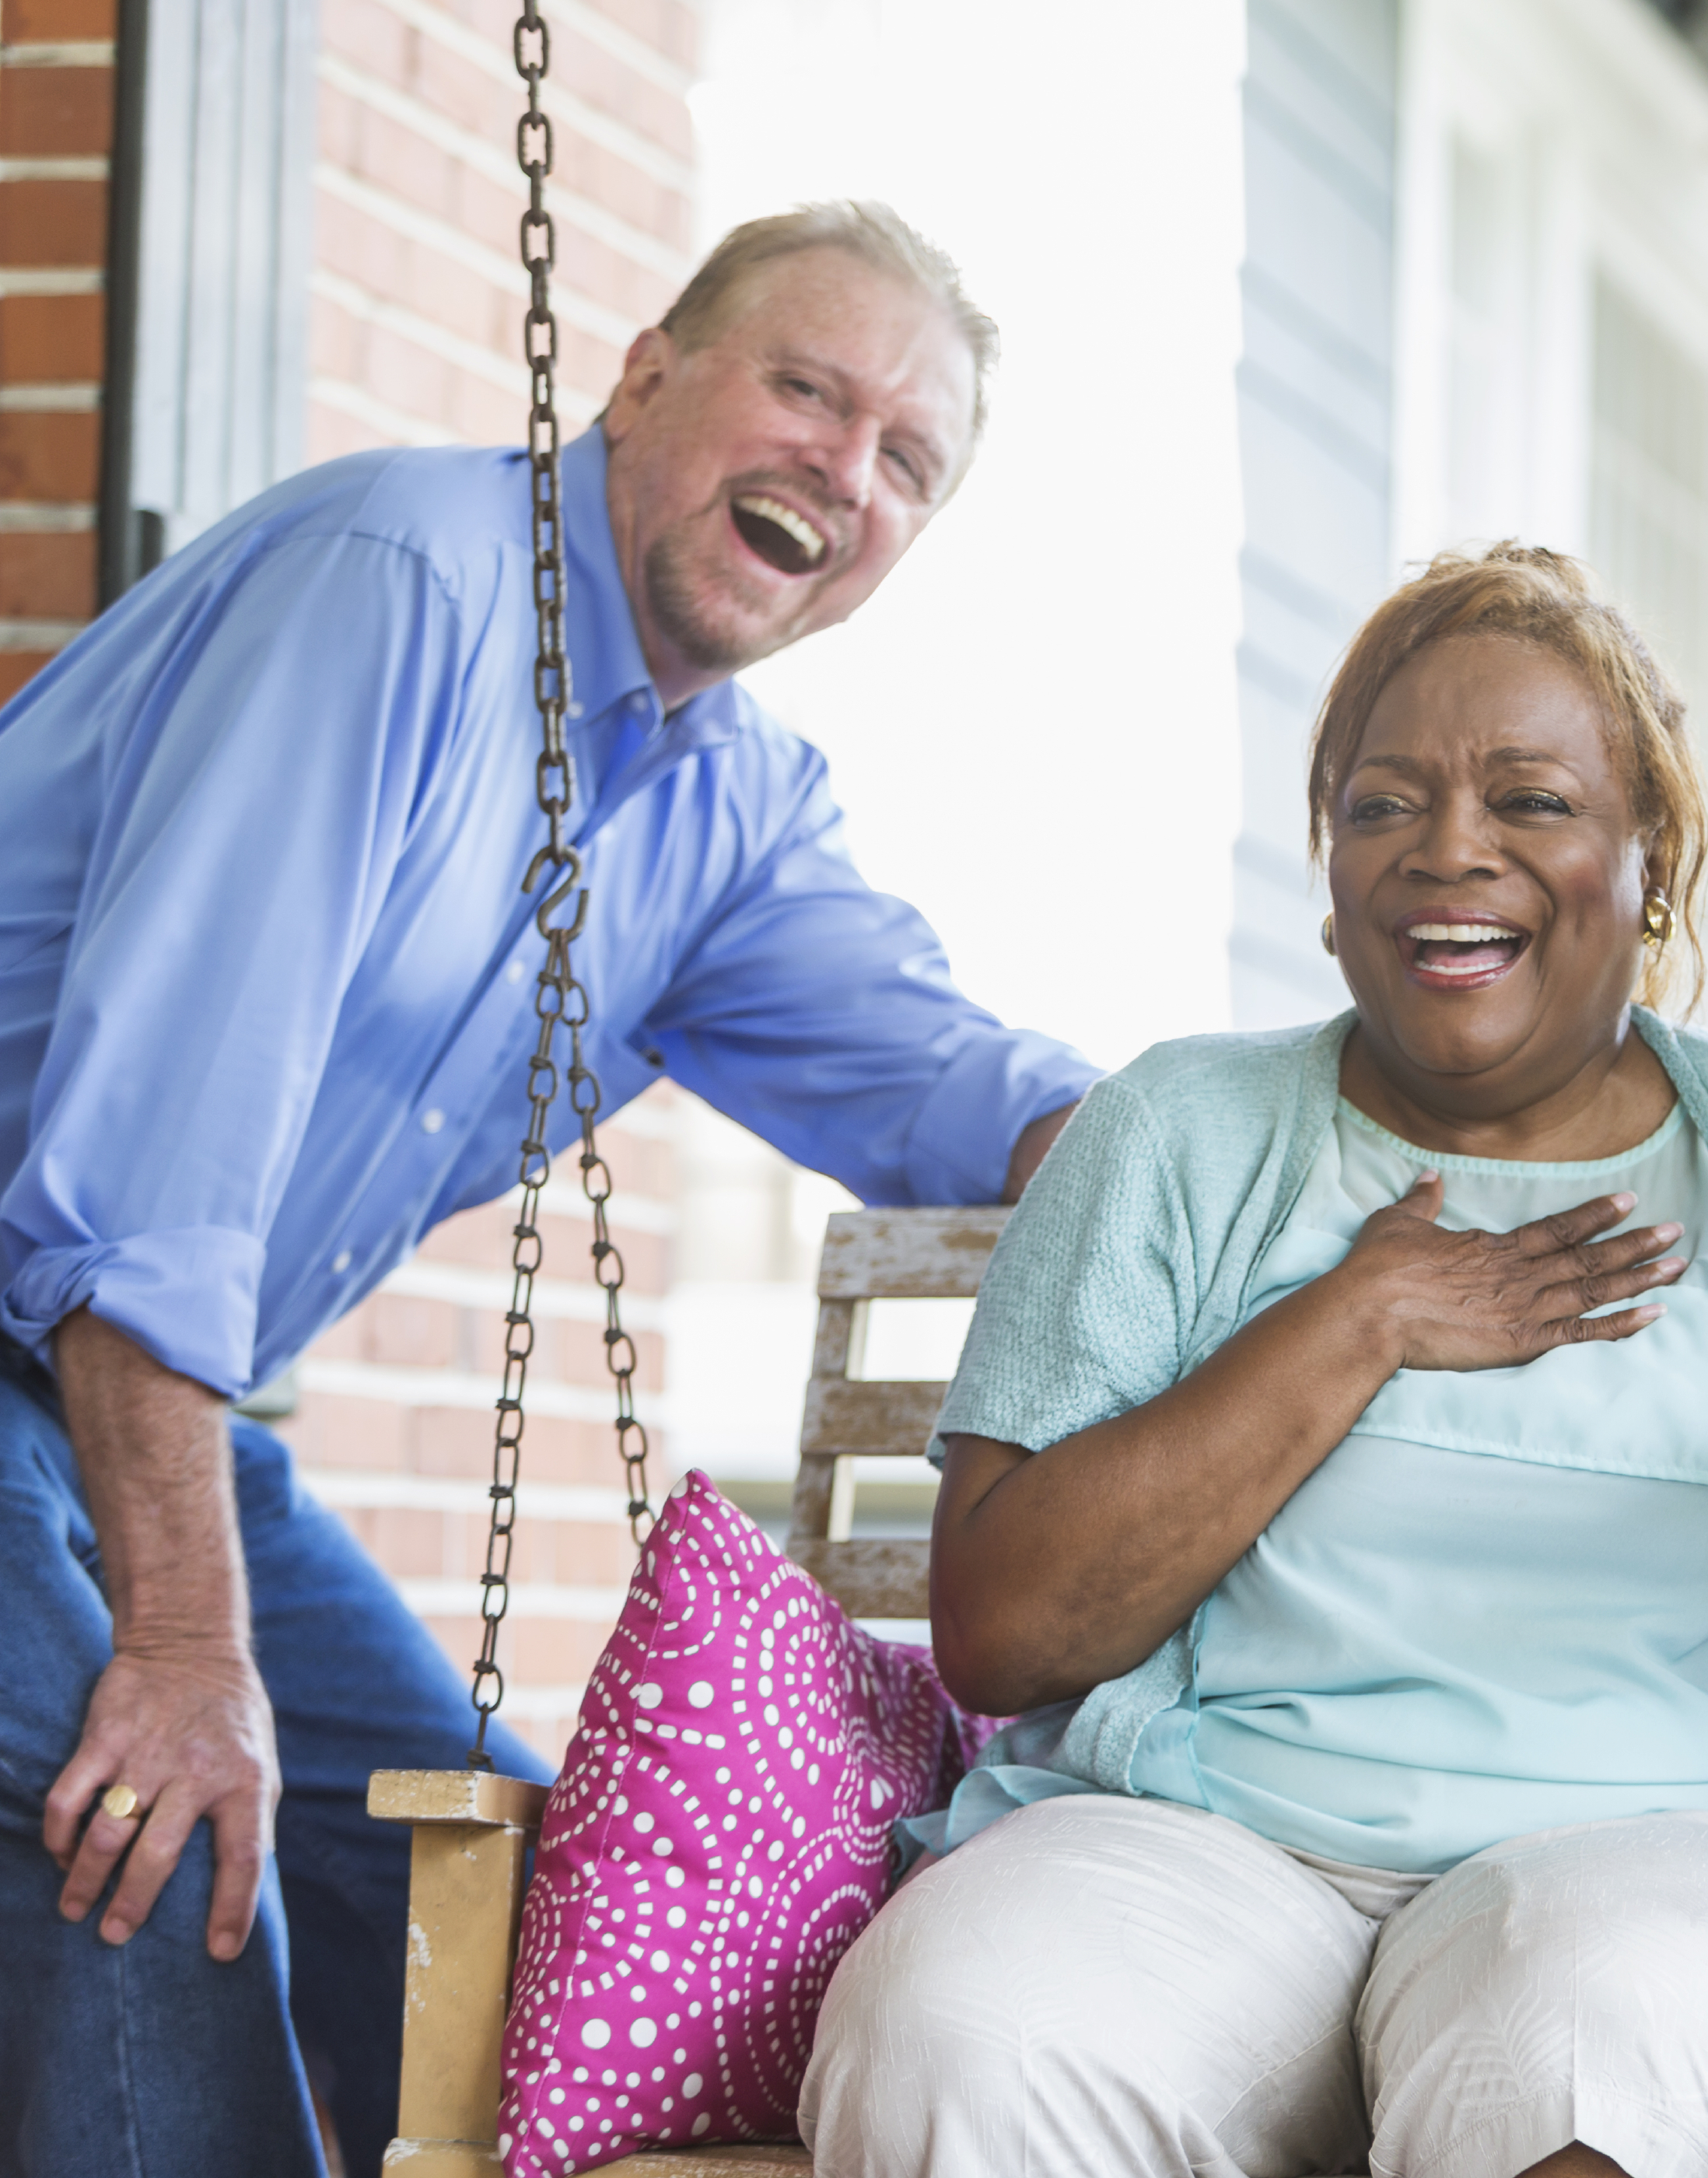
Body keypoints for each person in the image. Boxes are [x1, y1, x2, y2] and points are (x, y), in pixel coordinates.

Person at [0, 202, 1098, 2175]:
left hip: (120, 1401)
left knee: (489, 1890)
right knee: (163, 1828)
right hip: (78, 1346)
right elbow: (146, 1182)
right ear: (645, 369)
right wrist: (184, 1649)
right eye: (803, 388)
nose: (843, 469)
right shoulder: (398, 594)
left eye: (905, 457)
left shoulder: (724, 803)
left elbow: (961, 1085)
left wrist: (1309, 1159)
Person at [799, 542, 1708, 2178]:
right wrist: (1356, 1317)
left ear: (1648, 861)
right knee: (964, 2030)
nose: (1451, 850)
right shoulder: (1178, 1131)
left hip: (1672, 1855)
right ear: (1326, 869)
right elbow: (1007, 1631)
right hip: (1209, 1844)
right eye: (1385, 805)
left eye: (1531, 800)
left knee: (1593, 2048)